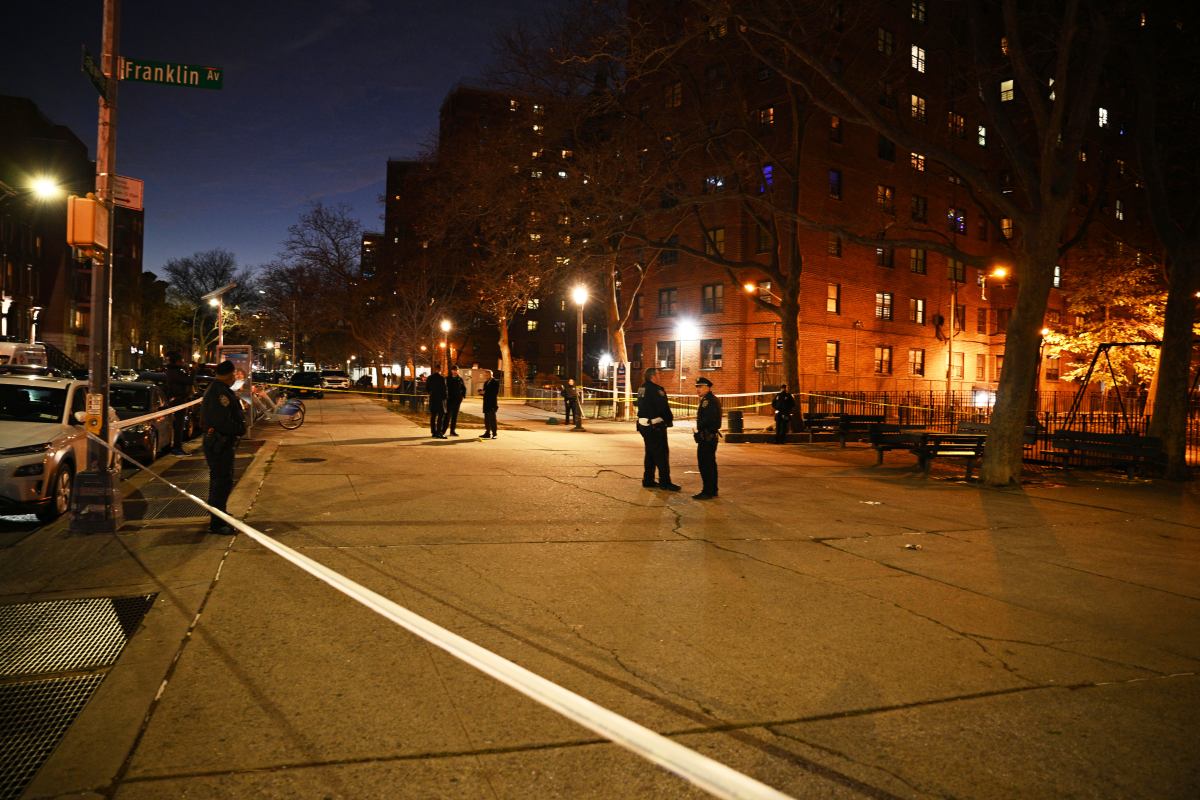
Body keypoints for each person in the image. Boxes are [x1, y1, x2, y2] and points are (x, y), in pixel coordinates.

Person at [201, 360, 246, 534]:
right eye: (234, 374)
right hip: (219, 443)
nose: (235, 377)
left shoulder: (220, 389)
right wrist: (239, 429)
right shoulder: (218, 393)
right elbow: (222, 421)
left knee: (222, 480)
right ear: (229, 375)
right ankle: (217, 522)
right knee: (221, 481)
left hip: (221, 442)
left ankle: (219, 514)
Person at [635, 367, 678, 491]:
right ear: (653, 376)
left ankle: (648, 479)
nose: (660, 377)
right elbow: (663, 407)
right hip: (655, 426)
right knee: (662, 454)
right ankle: (665, 482)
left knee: (650, 453)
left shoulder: (641, 388)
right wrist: (669, 420)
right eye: (659, 374)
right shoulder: (657, 390)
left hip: (644, 425)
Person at [693, 376, 722, 500]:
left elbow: (708, 420)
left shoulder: (708, 401)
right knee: (710, 464)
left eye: (700, 387)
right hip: (709, 437)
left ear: (707, 387)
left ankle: (707, 491)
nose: (698, 389)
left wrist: (699, 429)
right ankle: (712, 489)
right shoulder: (709, 399)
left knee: (705, 464)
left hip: (707, 437)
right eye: (697, 387)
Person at [164, 352, 194, 456]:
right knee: (179, 426)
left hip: (179, 400)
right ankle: (176, 447)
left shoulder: (174, 371)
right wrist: (194, 371)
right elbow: (189, 381)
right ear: (177, 361)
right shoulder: (174, 372)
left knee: (179, 425)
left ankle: (177, 446)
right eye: (181, 360)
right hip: (178, 401)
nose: (183, 362)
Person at [445, 365, 467, 436]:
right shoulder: (448, 378)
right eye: (454, 370)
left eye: (456, 370)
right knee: (447, 416)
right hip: (450, 399)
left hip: (457, 400)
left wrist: (463, 396)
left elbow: (464, 388)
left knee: (455, 416)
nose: (455, 371)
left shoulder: (460, 379)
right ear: (451, 371)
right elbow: (445, 388)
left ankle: (452, 431)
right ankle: (443, 431)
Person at [426, 367, 447, 438]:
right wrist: (445, 398)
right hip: (440, 400)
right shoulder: (442, 378)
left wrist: (431, 393)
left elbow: (427, 389)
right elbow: (444, 389)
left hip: (432, 399)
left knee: (433, 416)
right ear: (440, 370)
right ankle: (439, 432)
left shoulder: (429, 378)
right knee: (441, 416)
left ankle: (433, 432)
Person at [481, 372, 500, 439]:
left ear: (491, 374)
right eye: (485, 375)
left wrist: (485, 392)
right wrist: (481, 393)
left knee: (492, 419)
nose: (485, 376)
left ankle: (494, 434)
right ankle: (487, 433)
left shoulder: (495, 382)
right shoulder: (486, 382)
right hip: (486, 403)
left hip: (492, 403)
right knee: (486, 419)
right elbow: (485, 392)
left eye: (486, 375)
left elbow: (495, 392)